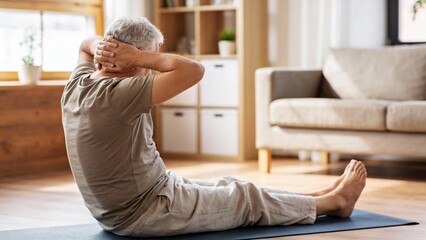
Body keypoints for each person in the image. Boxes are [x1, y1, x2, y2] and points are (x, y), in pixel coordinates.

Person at [61, 16, 367, 237]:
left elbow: (84, 48)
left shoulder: (78, 84)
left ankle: (317, 196)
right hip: (146, 212)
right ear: (130, 58)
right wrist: (138, 57)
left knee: (232, 184)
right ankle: (337, 203)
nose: (150, 66)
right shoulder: (119, 93)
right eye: (149, 57)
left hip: (138, 201)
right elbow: (193, 70)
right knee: (242, 199)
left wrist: (104, 46)